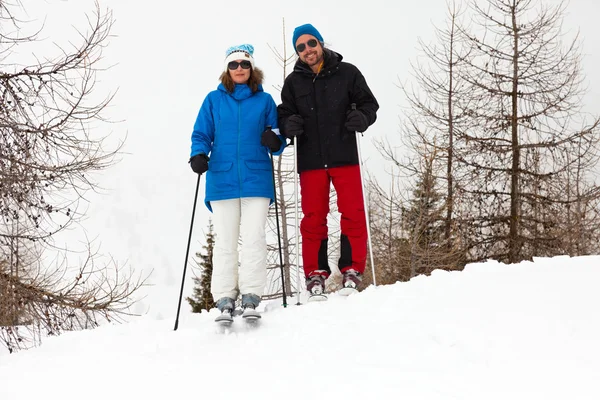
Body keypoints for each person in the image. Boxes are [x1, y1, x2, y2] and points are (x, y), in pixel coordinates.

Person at [277, 24, 379, 297]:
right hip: (311, 159)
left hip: (344, 154)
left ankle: (352, 269)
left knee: (354, 212)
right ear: (297, 52)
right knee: (313, 217)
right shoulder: (293, 82)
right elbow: (283, 115)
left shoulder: (348, 73)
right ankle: (316, 273)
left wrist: (363, 118)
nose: (307, 50)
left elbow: (370, 104)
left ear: (320, 43)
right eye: (300, 47)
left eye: (311, 43)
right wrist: (289, 125)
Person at [189, 44, 286, 320]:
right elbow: (201, 133)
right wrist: (198, 154)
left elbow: (278, 140)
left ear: (251, 68)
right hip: (222, 178)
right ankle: (224, 298)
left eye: (244, 64)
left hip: (257, 178)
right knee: (225, 241)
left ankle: (251, 297)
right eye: (234, 65)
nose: (239, 68)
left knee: (255, 237)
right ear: (227, 69)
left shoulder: (265, 100)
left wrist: (275, 141)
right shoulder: (213, 100)